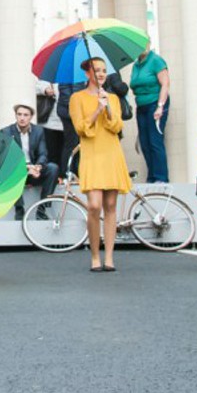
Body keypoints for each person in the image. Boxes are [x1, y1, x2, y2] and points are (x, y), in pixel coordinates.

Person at [71, 57, 131, 273]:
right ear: (88, 74)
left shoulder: (112, 98)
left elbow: (117, 126)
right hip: (92, 153)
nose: (102, 74)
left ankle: (109, 257)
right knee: (94, 205)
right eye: (97, 70)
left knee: (111, 205)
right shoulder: (77, 98)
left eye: (104, 70)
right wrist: (97, 109)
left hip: (111, 151)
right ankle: (95, 255)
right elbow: (81, 129)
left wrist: (108, 107)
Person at [2, 103, 57, 217]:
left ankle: (42, 209)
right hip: (17, 173)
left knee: (53, 168)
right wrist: (26, 168)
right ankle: (19, 209)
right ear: (15, 116)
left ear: (31, 116)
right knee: (9, 171)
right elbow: (8, 158)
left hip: (34, 170)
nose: (22, 118)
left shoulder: (38, 131)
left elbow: (43, 153)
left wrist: (38, 166)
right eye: (19, 114)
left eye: (26, 115)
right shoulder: (7, 132)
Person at [129, 49, 171, 183]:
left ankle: (161, 177)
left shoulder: (156, 60)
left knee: (155, 141)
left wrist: (160, 106)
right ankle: (151, 176)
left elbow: (165, 84)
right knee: (145, 142)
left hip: (155, 103)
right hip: (141, 105)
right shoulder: (136, 65)